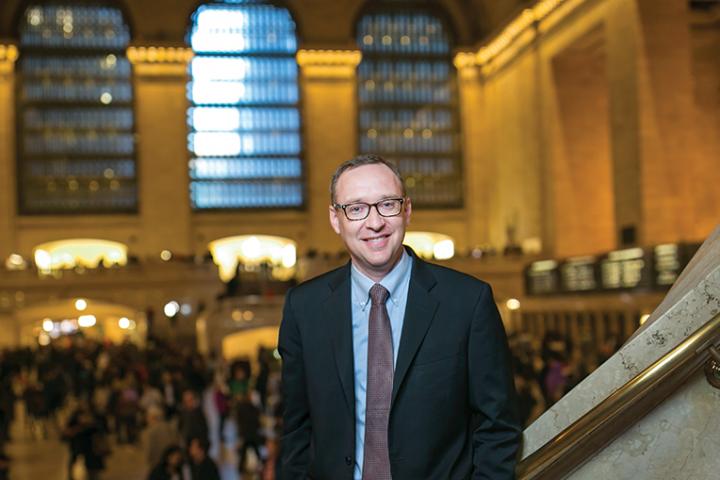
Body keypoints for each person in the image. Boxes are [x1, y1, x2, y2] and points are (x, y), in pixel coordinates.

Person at [278, 154, 521, 479]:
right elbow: (296, 430)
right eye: (356, 208)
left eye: (387, 204)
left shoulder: (467, 302)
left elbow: (499, 427)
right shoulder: (303, 307)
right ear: (336, 220)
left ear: (406, 209)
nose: (374, 222)